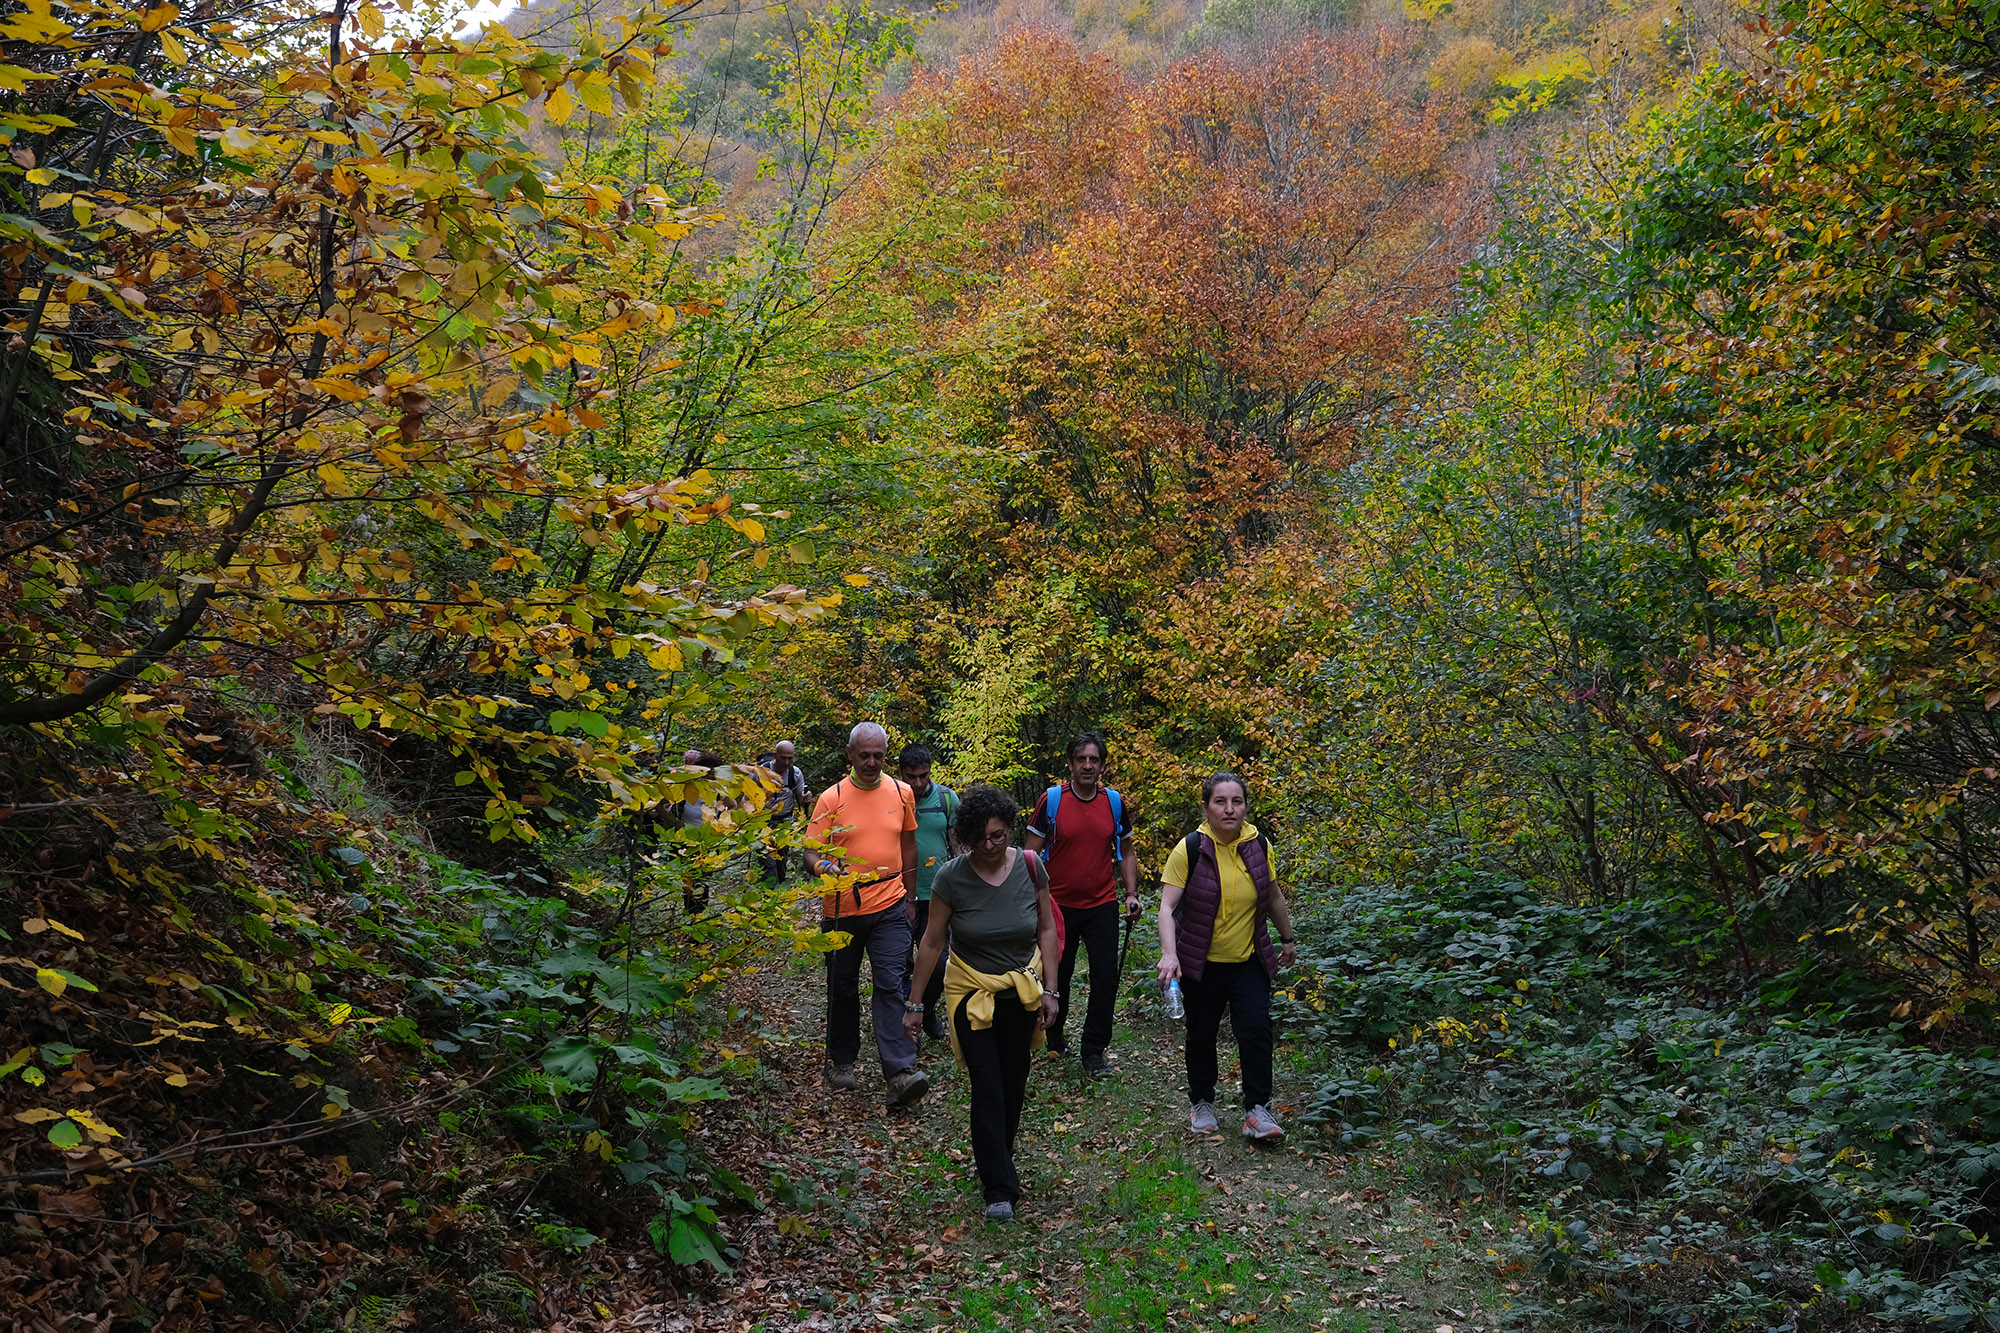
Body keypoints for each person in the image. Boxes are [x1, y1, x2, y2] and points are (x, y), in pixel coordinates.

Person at [905, 784, 1060, 1222]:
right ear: (967, 839)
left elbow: (1046, 929)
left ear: (1009, 828)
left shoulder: (1030, 867)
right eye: (982, 839)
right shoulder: (952, 877)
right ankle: (998, 1187)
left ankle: (999, 1154)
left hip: (1021, 992)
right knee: (987, 1086)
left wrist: (1051, 989)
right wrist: (915, 1004)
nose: (991, 846)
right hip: (970, 994)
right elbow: (933, 942)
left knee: (1012, 1087)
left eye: (998, 836)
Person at [1156, 771, 1297, 1141]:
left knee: (1255, 1030)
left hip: (1248, 959)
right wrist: (1169, 955)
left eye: (1237, 801)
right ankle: (1202, 1102)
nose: (1229, 809)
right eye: (1220, 801)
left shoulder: (1258, 844)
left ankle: (1257, 1111)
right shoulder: (1189, 848)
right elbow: (1167, 908)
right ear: (1206, 807)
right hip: (1201, 962)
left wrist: (1287, 938)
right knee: (1201, 1034)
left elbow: (1273, 896)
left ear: (1246, 806)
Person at [805, 722, 928, 1108]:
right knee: (842, 985)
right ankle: (843, 1061)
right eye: (865, 755)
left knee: (891, 983)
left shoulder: (902, 791)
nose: (872, 762)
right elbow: (809, 852)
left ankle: (899, 1071)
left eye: (879, 755)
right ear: (850, 754)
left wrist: (909, 897)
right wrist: (824, 867)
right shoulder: (831, 798)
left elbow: (908, 845)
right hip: (840, 907)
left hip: (890, 904)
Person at [1023, 731, 1138, 1078]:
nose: (1088, 766)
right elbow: (1030, 853)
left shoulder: (1114, 802)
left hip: (1102, 902)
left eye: (1094, 760)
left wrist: (1131, 893)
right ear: (1070, 764)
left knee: (1106, 977)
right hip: (1057, 905)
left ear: (1101, 765)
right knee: (1060, 974)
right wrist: (1031, 900)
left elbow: (1127, 851)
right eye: (1081, 759)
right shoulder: (1052, 800)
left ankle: (1094, 1051)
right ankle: (1055, 1036)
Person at [897, 744, 960, 1040]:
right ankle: (904, 1026)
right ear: (900, 773)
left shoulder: (947, 799)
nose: (918, 783)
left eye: (924, 776)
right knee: (899, 965)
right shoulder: (892, 799)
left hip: (939, 896)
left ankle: (927, 1009)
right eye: (911, 776)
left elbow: (960, 847)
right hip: (898, 895)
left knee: (939, 965)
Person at [757, 739, 811, 885]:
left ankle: (778, 897)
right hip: (763, 826)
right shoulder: (761, 773)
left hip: (784, 825)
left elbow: (801, 800)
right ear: (775, 755)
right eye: (783, 758)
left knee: (781, 865)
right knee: (769, 866)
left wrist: (807, 799)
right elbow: (748, 800)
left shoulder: (795, 773)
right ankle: (769, 898)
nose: (787, 762)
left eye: (790, 758)